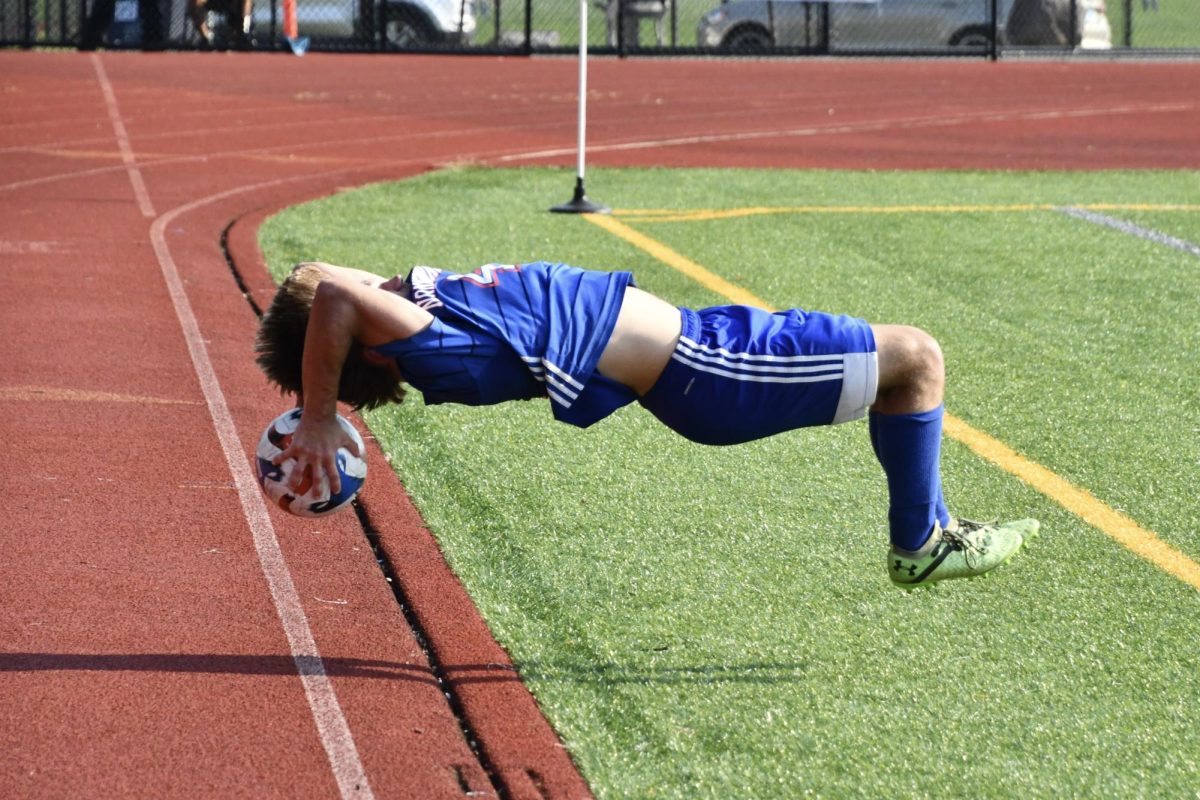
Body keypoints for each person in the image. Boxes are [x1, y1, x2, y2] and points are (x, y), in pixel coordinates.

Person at [255, 260, 1039, 589]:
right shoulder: (416, 341)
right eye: (346, 270)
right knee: (918, 359)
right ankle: (920, 545)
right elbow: (335, 305)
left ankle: (933, 529)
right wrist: (318, 419)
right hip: (711, 366)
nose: (359, 272)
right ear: (363, 347)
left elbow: (338, 303)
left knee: (897, 373)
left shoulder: (420, 318)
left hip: (709, 342)